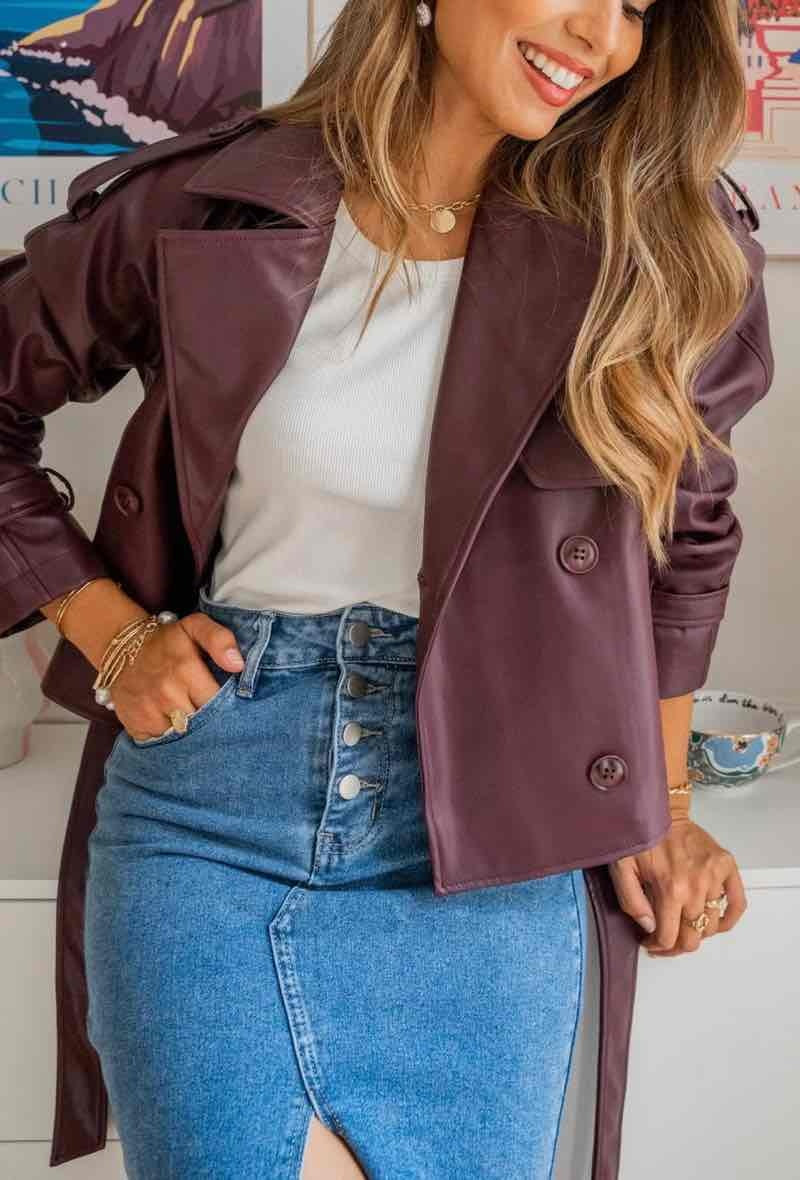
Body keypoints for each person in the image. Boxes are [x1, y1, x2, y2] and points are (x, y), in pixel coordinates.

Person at [0, 1, 773, 1177]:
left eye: (634, 9)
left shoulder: (660, 239)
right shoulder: (209, 200)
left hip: (494, 839)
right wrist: (109, 633)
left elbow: (688, 539)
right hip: (213, 821)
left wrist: (661, 801)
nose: (599, 34)